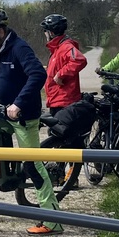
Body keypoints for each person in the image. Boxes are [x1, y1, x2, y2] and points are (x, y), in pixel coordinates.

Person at [0, 8, 61, 235]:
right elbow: (0, 76)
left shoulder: (19, 48)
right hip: (1, 112)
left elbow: (37, 75)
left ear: (0, 32)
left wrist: (18, 103)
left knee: (32, 164)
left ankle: (53, 220)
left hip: (23, 116)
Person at [40, 13, 92, 188]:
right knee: (61, 139)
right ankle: (63, 176)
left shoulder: (65, 46)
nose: (44, 34)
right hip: (56, 100)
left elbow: (80, 60)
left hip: (65, 101)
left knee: (66, 140)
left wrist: (61, 74)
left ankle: (70, 178)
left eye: (46, 31)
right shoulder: (56, 49)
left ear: (51, 32)